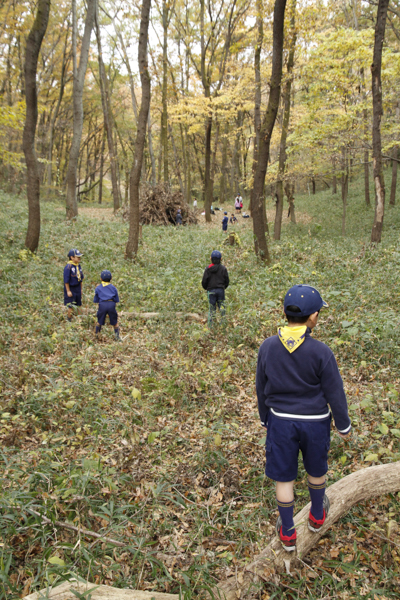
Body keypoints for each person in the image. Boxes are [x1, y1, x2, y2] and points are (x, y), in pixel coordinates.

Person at [256, 284, 351, 552]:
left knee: (284, 479)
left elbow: (261, 387)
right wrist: (343, 424)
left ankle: (287, 533)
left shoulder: (268, 347)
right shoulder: (322, 352)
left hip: (281, 423)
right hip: (316, 423)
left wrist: (265, 418)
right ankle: (317, 516)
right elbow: (335, 392)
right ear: (313, 317)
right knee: (316, 470)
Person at [201, 250, 229, 327]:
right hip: (220, 290)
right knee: (222, 308)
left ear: (211, 259)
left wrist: (207, 288)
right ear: (221, 259)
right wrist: (223, 288)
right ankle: (223, 325)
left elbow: (204, 281)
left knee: (212, 309)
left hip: (211, 291)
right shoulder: (223, 268)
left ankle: (211, 326)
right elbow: (227, 280)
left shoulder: (208, 269)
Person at [93, 270, 121, 341]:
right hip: (111, 304)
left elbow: (96, 300)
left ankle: (96, 335)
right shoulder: (113, 288)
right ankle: (117, 337)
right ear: (111, 278)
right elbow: (116, 300)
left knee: (99, 321)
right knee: (115, 322)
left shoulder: (98, 288)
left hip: (102, 304)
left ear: (101, 278)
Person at [64, 249, 84, 321]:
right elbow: (66, 280)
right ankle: (69, 319)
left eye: (79, 257)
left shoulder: (78, 266)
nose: (79, 258)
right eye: (77, 257)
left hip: (77, 287)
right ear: (72, 257)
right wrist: (68, 291)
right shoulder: (68, 267)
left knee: (79, 304)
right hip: (71, 288)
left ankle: (80, 319)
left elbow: (81, 278)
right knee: (71, 305)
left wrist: (81, 289)